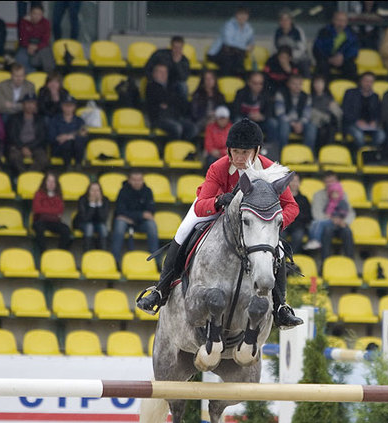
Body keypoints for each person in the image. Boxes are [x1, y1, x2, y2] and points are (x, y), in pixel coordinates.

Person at [135, 118, 302, 329]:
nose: (240, 158)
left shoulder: (270, 171)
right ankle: (161, 290)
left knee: (275, 250)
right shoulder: (218, 167)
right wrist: (217, 201)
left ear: (257, 150)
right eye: (235, 152)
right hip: (214, 211)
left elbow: (292, 207)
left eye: (246, 152)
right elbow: (200, 205)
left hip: (254, 222)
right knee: (183, 231)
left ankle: (280, 307)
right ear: (229, 151)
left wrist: (272, 225)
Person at [110, 171, 159, 269]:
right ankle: (115, 260)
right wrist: (141, 215)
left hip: (140, 223)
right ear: (129, 180)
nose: (137, 182)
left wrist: (132, 217)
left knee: (152, 225)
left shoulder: (147, 191)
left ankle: (157, 262)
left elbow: (150, 212)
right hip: (126, 223)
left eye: (139, 180)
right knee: (119, 224)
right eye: (134, 180)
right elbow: (120, 211)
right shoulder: (123, 191)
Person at [308, 171, 356, 262]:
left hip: (341, 224)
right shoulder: (318, 195)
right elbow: (317, 214)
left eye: (333, 181)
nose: (330, 184)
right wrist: (331, 220)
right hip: (326, 225)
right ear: (324, 182)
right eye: (328, 181)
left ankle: (351, 263)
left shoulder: (343, 194)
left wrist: (344, 222)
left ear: (337, 181)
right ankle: (325, 264)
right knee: (327, 231)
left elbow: (350, 212)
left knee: (348, 232)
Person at [231, 71, 278, 155]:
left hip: (260, 121)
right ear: (249, 82)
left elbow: (270, 112)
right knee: (237, 120)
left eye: (260, 84)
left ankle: (270, 151)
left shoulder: (266, 94)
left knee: (273, 123)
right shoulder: (241, 93)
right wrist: (248, 116)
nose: (258, 86)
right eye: (255, 83)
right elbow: (235, 111)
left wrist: (262, 116)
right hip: (245, 121)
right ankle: (239, 149)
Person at [145, 63, 196, 140]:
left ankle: (184, 146)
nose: (163, 75)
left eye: (165, 72)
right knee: (177, 128)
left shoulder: (171, 86)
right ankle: (172, 149)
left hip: (174, 117)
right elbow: (163, 100)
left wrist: (168, 102)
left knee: (192, 128)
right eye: (160, 72)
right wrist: (170, 101)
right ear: (154, 74)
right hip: (159, 119)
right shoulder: (151, 86)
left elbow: (178, 101)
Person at [5, 93, 49, 177]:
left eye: (32, 103)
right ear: (23, 104)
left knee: (43, 160)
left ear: (36, 105)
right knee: (14, 157)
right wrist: (22, 147)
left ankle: (28, 176)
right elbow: (12, 135)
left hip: (35, 146)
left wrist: (29, 147)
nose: (30, 106)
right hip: (18, 146)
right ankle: (24, 176)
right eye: (27, 103)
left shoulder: (40, 119)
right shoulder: (14, 118)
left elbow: (42, 137)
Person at [342, 71, 385, 154]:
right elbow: (345, 111)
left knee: (381, 135)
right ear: (361, 81)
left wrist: (375, 122)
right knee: (359, 136)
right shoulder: (350, 93)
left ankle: (371, 155)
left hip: (370, 126)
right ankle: (361, 156)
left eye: (371, 81)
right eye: (366, 81)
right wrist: (356, 121)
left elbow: (379, 113)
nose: (368, 84)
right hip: (352, 123)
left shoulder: (375, 96)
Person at [274, 73, 317, 153]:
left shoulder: (306, 96)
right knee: (284, 126)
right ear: (288, 84)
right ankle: (282, 154)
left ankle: (307, 154)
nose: (297, 86)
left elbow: (307, 114)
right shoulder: (281, 94)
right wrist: (293, 123)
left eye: (300, 84)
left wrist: (300, 123)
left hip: (300, 122)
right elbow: (280, 113)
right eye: (294, 84)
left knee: (312, 127)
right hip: (286, 122)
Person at [32, 171, 72, 254]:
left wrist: (46, 210)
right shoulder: (38, 194)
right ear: (44, 182)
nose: (51, 184)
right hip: (40, 220)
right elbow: (37, 209)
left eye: (53, 181)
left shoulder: (58, 195)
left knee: (66, 230)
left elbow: (60, 210)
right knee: (39, 230)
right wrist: (52, 211)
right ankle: (44, 254)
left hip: (54, 222)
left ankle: (60, 253)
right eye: (49, 181)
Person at [312, 11, 359, 81]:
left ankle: (349, 89)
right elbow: (317, 47)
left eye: (343, 21)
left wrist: (342, 57)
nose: (340, 23)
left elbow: (354, 49)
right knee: (322, 67)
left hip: (343, 60)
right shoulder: (325, 31)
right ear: (333, 21)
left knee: (351, 67)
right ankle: (325, 89)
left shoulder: (352, 34)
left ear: (346, 22)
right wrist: (329, 59)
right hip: (327, 59)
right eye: (338, 20)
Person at [207, 6, 254, 76]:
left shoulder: (249, 29)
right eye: (240, 14)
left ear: (248, 16)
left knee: (238, 64)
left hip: (236, 55)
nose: (242, 17)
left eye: (245, 15)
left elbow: (251, 44)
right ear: (236, 15)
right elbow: (228, 42)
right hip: (218, 53)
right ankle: (225, 82)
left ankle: (236, 83)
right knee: (229, 62)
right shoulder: (229, 25)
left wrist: (250, 46)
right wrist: (244, 47)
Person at [48, 94, 88, 168]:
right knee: (67, 143)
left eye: (71, 106)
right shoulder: (55, 120)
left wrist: (69, 137)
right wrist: (61, 138)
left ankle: (78, 165)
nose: (68, 108)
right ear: (62, 106)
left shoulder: (80, 121)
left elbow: (84, 136)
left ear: (74, 107)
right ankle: (68, 166)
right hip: (59, 149)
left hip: (76, 149)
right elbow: (51, 137)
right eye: (66, 105)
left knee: (77, 142)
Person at [15, 3, 55, 74]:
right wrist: (28, 46)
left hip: (41, 46)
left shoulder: (46, 23)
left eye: (39, 14)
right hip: (25, 46)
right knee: (21, 57)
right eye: (34, 13)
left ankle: (49, 76)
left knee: (47, 54)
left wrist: (36, 47)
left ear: (42, 15)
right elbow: (21, 38)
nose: (37, 16)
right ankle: (27, 77)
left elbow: (46, 40)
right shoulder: (23, 22)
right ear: (30, 13)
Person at [74, 181, 111, 252]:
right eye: (92, 190)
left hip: (98, 223)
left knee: (103, 228)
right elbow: (85, 219)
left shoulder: (105, 200)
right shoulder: (82, 199)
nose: (95, 192)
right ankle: (87, 252)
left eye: (97, 190)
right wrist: (92, 204)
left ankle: (104, 253)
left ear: (101, 191)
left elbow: (103, 219)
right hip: (82, 223)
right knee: (89, 226)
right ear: (88, 191)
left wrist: (99, 204)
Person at [310, 74, 342, 150]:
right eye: (316, 83)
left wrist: (334, 108)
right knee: (321, 131)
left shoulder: (329, 98)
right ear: (313, 85)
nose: (318, 85)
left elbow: (338, 114)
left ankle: (328, 152)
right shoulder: (309, 98)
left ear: (324, 85)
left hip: (329, 124)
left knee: (331, 128)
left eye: (320, 83)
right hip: (316, 123)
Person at [274, 9, 310, 77]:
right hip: (282, 58)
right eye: (282, 20)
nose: (284, 22)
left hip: (298, 57)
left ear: (291, 20)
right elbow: (274, 48)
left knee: (304, 64)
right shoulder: (277, 32)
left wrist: (289, 57)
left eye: (287, 19)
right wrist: (282, 57)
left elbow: (302, 48)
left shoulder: (297, 31)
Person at [190, 69, 226, 134]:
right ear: (203, 81)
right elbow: (194, 114)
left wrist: (215, 116)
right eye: (206, 79)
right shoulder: (197, 95)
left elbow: (223, 111)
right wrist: (207, 118)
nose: (209, 81)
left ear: (215, 80)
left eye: (211, 79)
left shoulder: (220, 96)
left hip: (217, 120)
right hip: (202, 120)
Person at [284, 173, 312, 255]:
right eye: (292, 181)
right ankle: (282, 258)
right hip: (285, 225)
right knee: (281, 236)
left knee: (298, 236)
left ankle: (292, 257)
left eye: (296, 181)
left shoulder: (304, 199)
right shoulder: (282, 198)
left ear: (300, 183)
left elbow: (308, 216)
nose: (294, 183)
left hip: (298, 226)